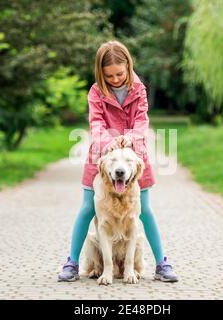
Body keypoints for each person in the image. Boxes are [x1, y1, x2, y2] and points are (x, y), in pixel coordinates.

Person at [58, 40, 178, 282]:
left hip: (134, 159)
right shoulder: (95, 92)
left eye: (119, 74)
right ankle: (71, 263)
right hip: (100, 158)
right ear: (100, 73)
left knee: (144, 210)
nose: (115, 79)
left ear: (128, 66)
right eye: (109, 75)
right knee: (87, 208)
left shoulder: (139, 90)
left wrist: (130, 139)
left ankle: (162, 264)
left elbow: (142, 122)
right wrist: (108, 141)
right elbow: (96, 123)